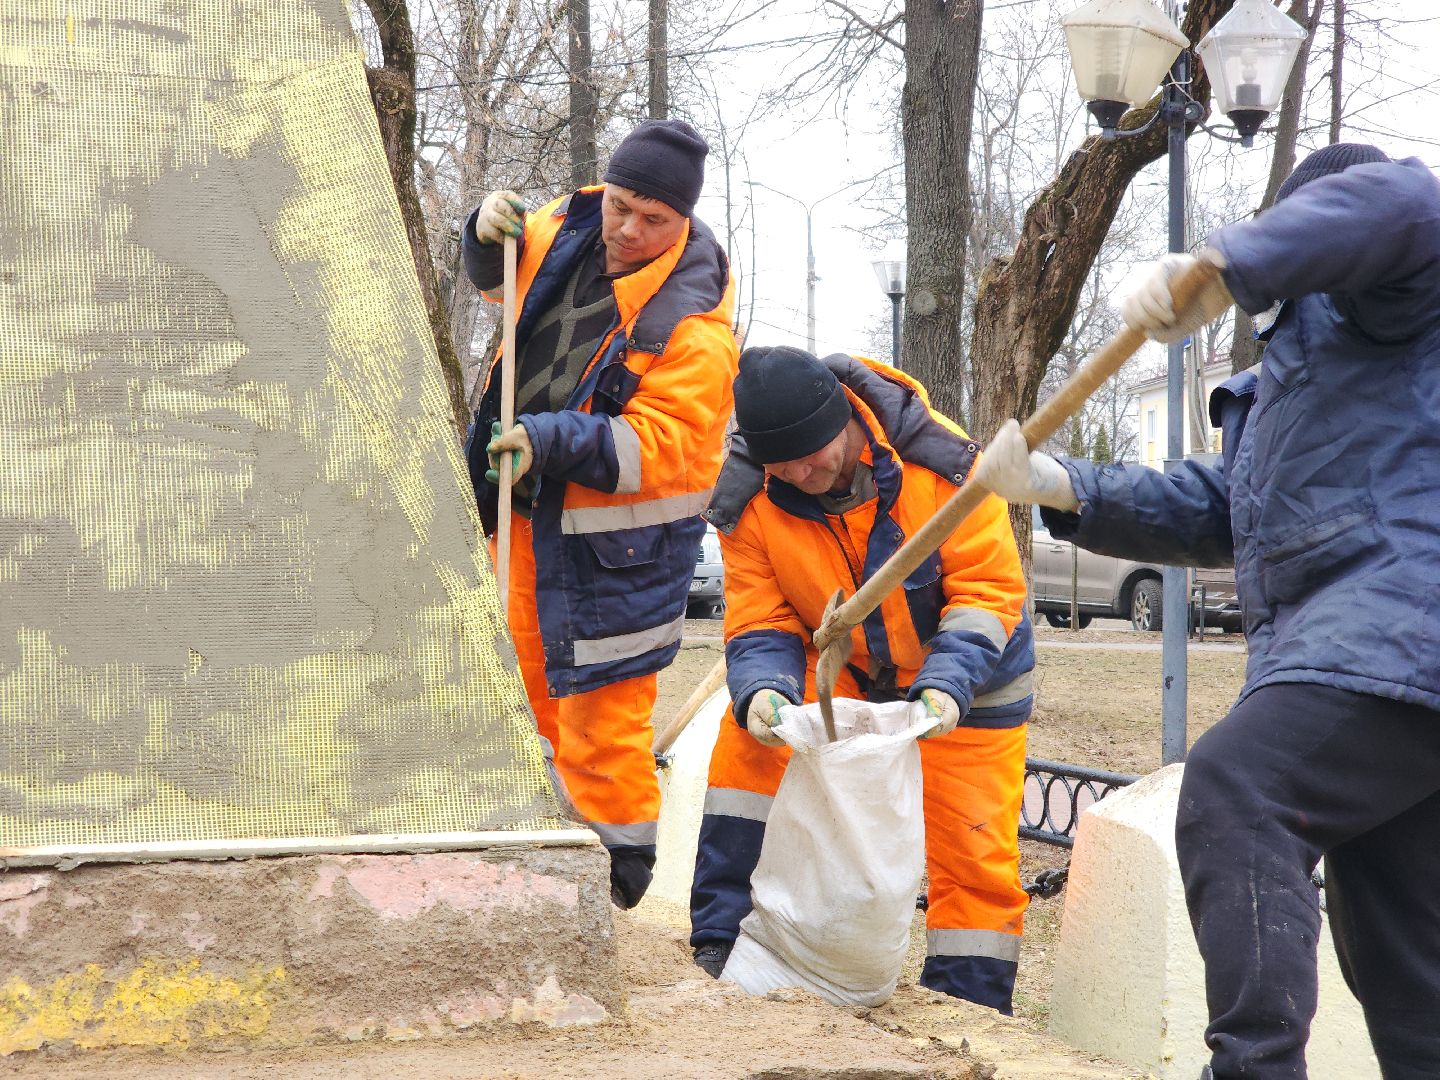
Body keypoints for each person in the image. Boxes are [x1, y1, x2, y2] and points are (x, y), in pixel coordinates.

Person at [975, 143, 1440, 1078]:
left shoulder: (1400, 304)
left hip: (1398, 639)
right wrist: (1061, 485)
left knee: (1237, 791)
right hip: (1370, 667)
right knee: (1404, 961)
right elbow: (1222, 509)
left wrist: (1230, 260)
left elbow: (1407, 202)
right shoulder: (1285, 387)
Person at [689, 345, 1035, 1013]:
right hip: (844, 668)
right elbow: (761, 619)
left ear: (845, 418)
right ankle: (724, 952)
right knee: (748, 757)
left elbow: (987, 591)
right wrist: (762, 690)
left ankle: (968, 1009)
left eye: (811, 452)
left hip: (972, 676)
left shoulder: (943, 463)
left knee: (974, 847)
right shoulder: (749, 500)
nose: (800, 471)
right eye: (781, 462)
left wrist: (948, 683)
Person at [461, 120, 740, 909]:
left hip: (615, 562)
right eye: (622, 206)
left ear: (681, 220)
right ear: (606, 190)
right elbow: (499, 278)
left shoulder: (695, 330)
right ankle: (528, 881)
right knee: (520, 704)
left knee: (601, 731)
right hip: (524, 523)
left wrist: (547, 440)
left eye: (653, 219)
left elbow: (658, 449)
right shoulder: (565, 222)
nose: (629, 230)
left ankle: (612, 894)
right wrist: (484, 235)